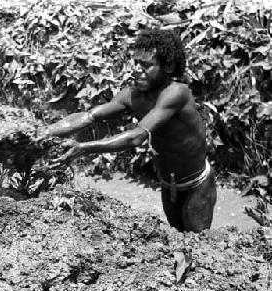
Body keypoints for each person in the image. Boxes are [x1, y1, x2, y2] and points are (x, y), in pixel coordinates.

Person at [44, 29, 217, 233]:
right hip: (168, 185)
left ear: (168, 67)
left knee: (198, 245)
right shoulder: (131, 95)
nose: (136, 70)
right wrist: (44, 133)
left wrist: (82, 148)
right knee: (177, 238)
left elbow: (137, 137)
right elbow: (90, 116)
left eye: (146, 65)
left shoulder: (177, 93)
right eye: (135, 63)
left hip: (197, 185)